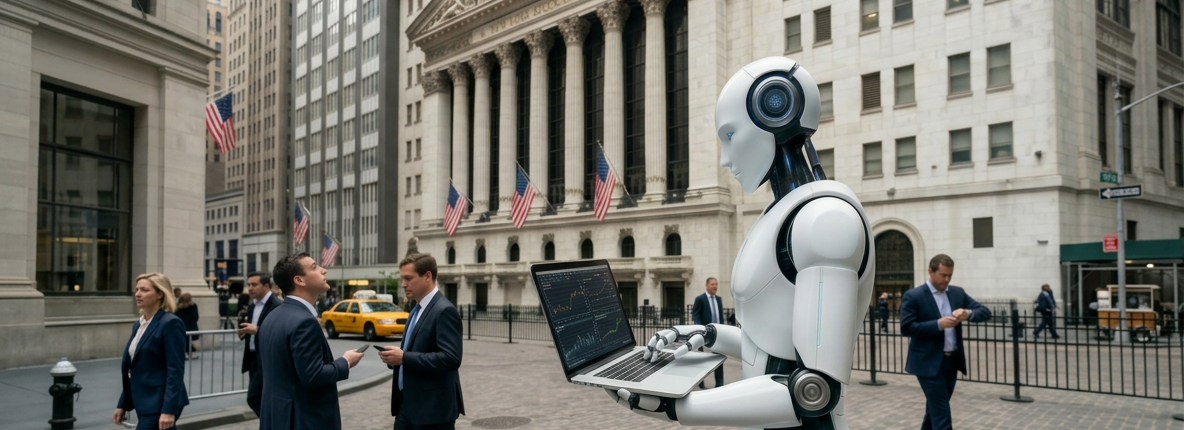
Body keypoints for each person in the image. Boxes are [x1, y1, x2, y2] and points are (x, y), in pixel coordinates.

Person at [258, 252, 364, 429]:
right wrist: (345, 362)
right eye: (315, 267)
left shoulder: (271, 317)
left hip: (276, 416)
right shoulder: (304, 321)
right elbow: (313, 376)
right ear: (299, 280)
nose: (324, 271)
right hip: (302, 419)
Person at [900, 254, 991, 430]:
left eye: (950, 275)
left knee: (934, 409)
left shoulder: (957, 293)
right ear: (930, 271)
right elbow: (907, 327)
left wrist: (968, 313)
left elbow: (985, 312)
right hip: (927, 363)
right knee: (941, 412)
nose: (947, 279)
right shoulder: (914, 296)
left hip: (951, 361)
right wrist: (937, 324)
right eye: (943, 275)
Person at [379, 253, 465, 429]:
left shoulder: (444, 310)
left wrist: (404, 358)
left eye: (408, 278)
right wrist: (394, 359)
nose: (403, 284)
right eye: (402, 278)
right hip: (407, 406)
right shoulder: (416, 310)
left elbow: (451, 358)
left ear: (427, 276)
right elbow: (416, 350)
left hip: (433, 411)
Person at [112, 273, 189, 430]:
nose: (138, 294)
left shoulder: (170, 323)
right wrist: (123, 404)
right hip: (142, 401)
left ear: (160, 294)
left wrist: (168, 410)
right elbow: (135, 368)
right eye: (137, 289)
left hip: (158, 403)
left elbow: (175, 369)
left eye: (144, 290)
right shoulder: (139, 324)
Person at [237, 272, 282, 417]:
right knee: (262, 398)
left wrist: (257, 330)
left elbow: (278, 331)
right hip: (253, 358)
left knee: (254, 397)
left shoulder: (276, 305)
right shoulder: (252, 306)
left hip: (267, 359)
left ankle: (275, 422)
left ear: (266, 286)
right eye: (248, 284)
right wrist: (245, 332)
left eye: (254, 285)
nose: (250, 288)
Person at [690, 277, 725, 389]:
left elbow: (720, 317)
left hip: (718, 335)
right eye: (712, 284)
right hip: (704, 336)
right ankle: (701, 382)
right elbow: (695, 314)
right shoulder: (700, 299)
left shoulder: (718, 299)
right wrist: (701, 329)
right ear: (707, 285)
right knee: (702, 360)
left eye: (716, 284)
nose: (715, 286)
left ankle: (719, 384)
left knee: (719, 359)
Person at [174, 293, 201, 360]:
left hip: (181, 326)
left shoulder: (177, 307)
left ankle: (184, 353)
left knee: (183, 340)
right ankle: (192, 353)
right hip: (191, 326)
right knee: (191, 340)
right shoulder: (193, 306)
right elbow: (196, 317)